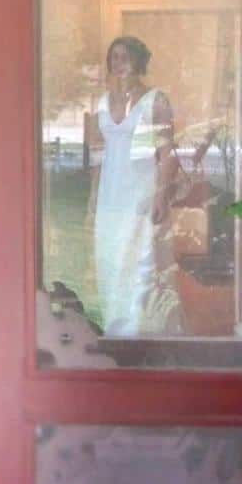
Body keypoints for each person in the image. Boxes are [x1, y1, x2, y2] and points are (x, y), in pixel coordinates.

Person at [90, 36, 183, 336]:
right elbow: (97, 155)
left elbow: (165, 153)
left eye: (126, 57)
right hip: (109, 195)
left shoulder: (154, 100)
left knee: (141, 265)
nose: (120, 64)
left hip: (141, 194)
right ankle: (116, 332)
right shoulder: (102, 103)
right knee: (111, 263)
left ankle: (139, 335)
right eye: (114, 57)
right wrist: (93, 199)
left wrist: (161, 194)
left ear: (139, 62)